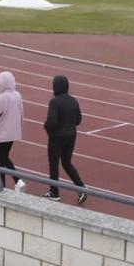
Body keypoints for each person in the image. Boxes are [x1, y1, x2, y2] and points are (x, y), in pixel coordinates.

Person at [42, 75, 87, 203]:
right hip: (71, 135)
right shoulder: (73, 100)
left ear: (55, 87)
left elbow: (52, 122)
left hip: (57, 137)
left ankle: (54, 191)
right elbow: (78, 120)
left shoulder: (54, 102)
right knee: (67, 162)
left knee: (54, 163)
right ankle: (81, 188)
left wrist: (46, 128)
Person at [0, 71, 26, 192]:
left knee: (0, 160)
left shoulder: (1, 98)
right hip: (14, 132)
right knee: (4, 157)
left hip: (2, 133)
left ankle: (4, 185)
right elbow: (22, 113)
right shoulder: (17, 95)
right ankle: (16, 181)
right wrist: (20, 127)